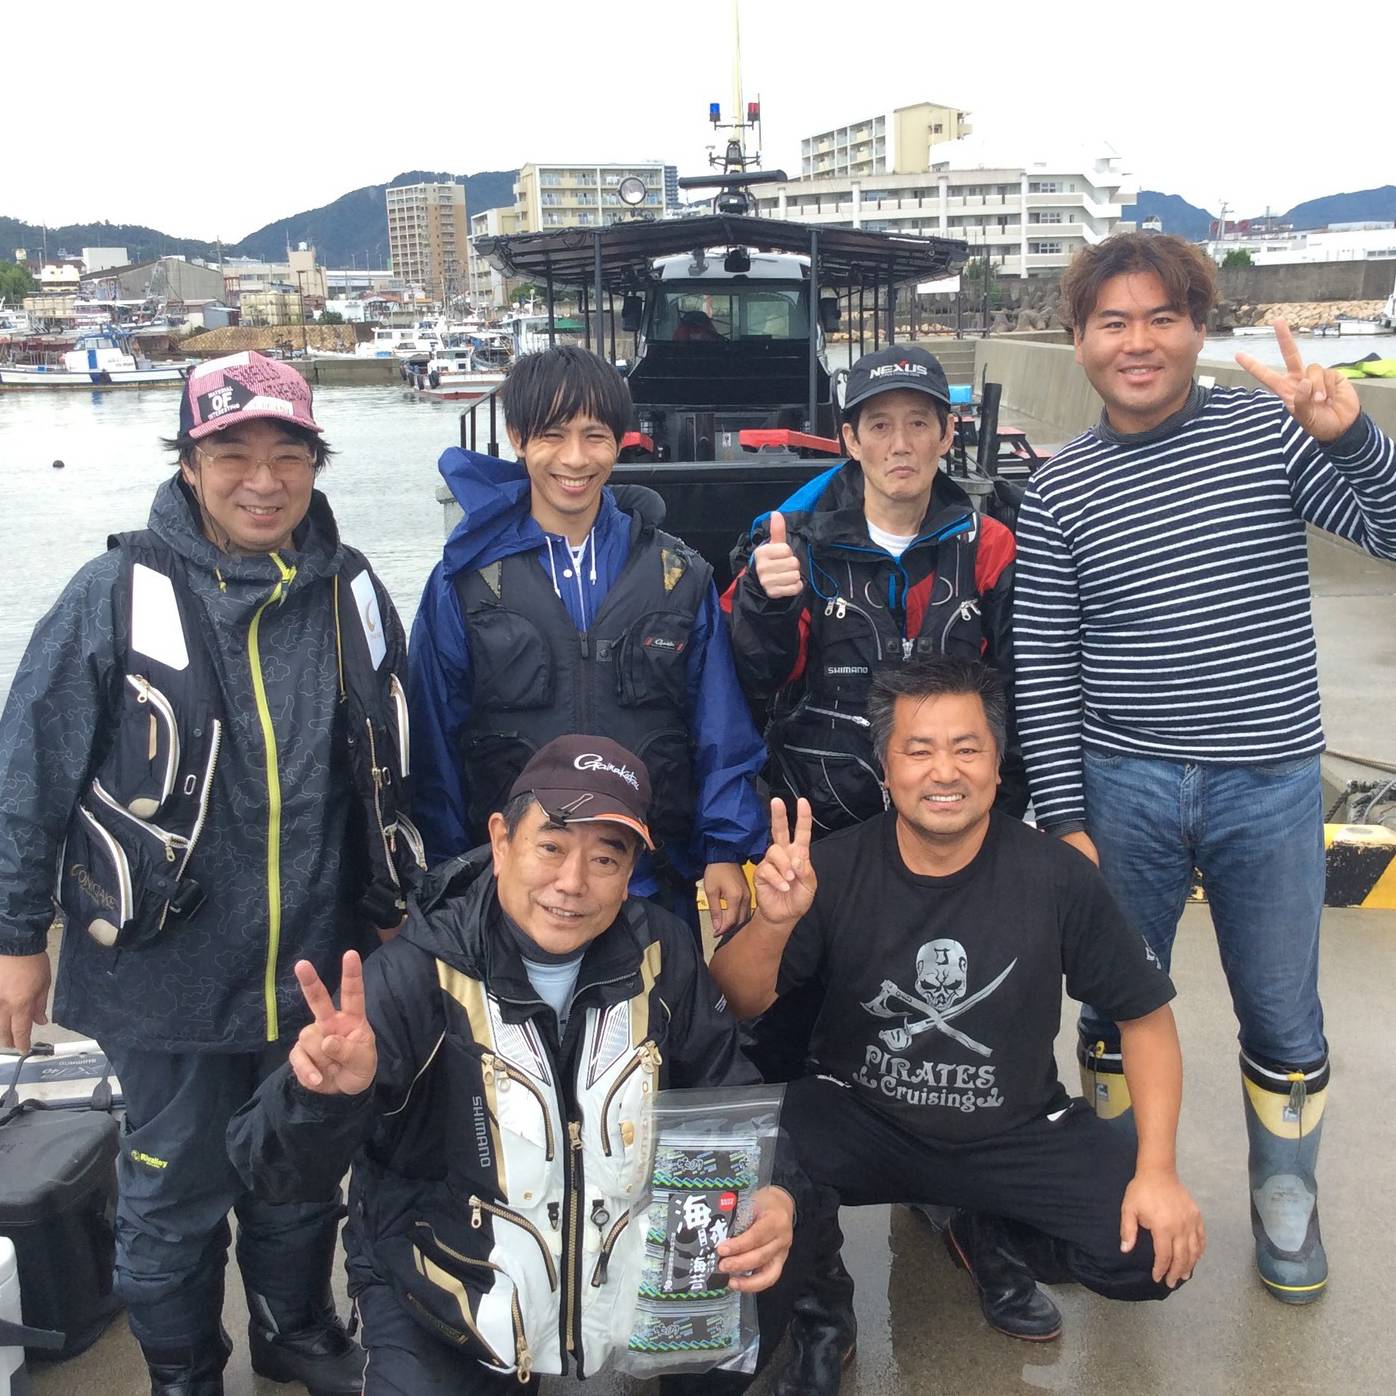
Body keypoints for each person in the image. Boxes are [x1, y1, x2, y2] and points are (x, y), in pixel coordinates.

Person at [0, 351, 424, 1396]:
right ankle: (184, 1369)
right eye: (231, 453)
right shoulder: (112, 591)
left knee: (298, 1175)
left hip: (318, 968)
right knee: (172, 1190)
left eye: (289, 454)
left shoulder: (356, 591)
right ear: (189, 465)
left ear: (316, 464)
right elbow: (28, 771)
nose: (263, 480)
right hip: (162, 977)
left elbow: (403, 770)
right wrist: (15, 940)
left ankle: (296, 1328)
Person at [1013, 232, 1396, 1304]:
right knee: (1111, 1005)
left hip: (1266, 779)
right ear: (1078, 341)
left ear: (1196, 328)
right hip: (1119, 781)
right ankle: (1125, 1194)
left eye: (1161, 318)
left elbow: (1392, 527)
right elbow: (1042, 667)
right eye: (1111, 322)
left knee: (1280, 1009)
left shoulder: (1269, 436)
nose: (1137, 342)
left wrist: (1351, 436)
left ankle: (1284, 1197)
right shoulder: (1058, 492)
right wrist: (1062, 812)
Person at [228, 735, 804, 1394]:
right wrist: (322, 1099)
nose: (572, 883)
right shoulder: (413, 976)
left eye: (605, 858)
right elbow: (267, 1170)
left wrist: (778, 1191)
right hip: (447, 1295)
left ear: (631, 872)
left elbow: (728, 1094)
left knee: (784, 1241)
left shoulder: (663, 953)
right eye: (552, 846)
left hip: (625, 1272)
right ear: (501, 841)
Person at [710, 657, 1204, 1393]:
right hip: (856, 1116)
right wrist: (774, 923)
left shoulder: (1057, 878)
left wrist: (1159, 1171)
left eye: (967, 748)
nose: (945, 771)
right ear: (886, 767)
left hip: (1011, 1127)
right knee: (731, 1203)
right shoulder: (833, 869)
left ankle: (988, 1226)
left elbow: (1145, 1018)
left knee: (1148, 1253)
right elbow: (740, 1001)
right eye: (919, 750)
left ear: (999, 764)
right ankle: (822, 1296)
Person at [409, 344, 767, 938]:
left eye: (594, 436)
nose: (575, 459)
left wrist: (725, 849)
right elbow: (434, 742)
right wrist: (447, 873)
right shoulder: (464, 580)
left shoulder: (680, 574)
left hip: (647, 875)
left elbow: (718, 724)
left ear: (620, 441)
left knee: (654, 1028)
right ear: (518, 437)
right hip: (510, 884)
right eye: (553, 435)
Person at [724, 343, 1023, 837]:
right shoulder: (791, 547)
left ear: (947, 434)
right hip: (826, 827)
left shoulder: (990, 546)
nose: (900, 444)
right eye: (880, 425)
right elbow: (753, 683)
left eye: (919, 423)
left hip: (959, 831)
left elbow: (1021, 695)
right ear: (852, 440)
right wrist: (765, 604)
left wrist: (1002, 821)